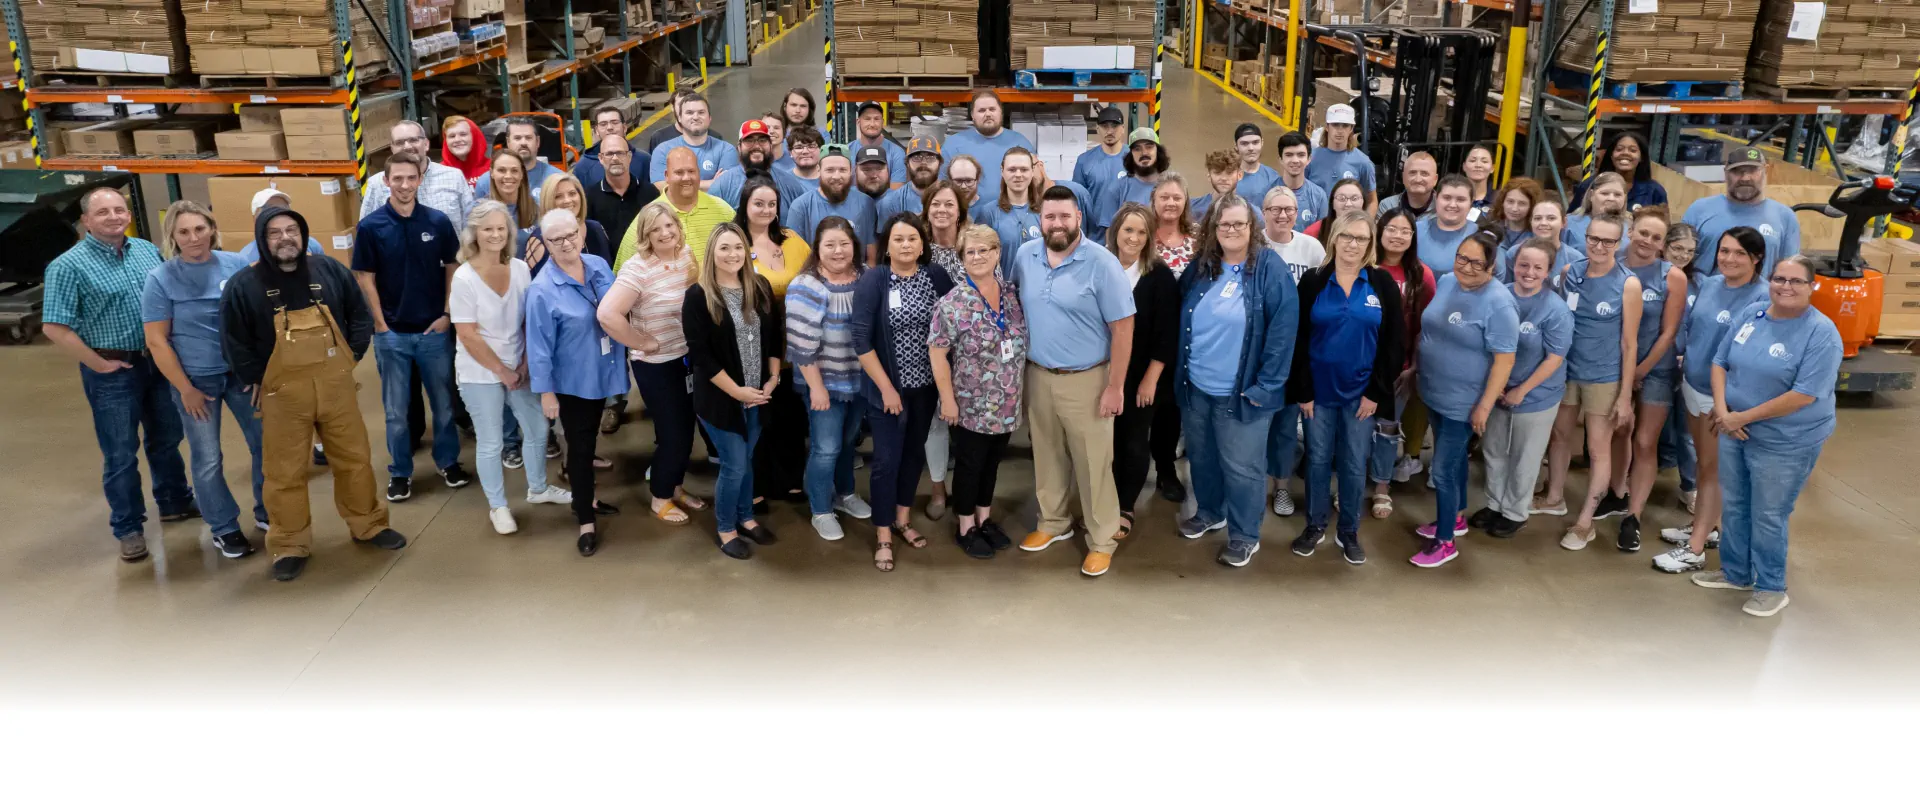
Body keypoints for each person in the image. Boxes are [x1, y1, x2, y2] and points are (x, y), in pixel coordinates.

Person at [222, 205, 396, 581]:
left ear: (302, 235)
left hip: (336, 386)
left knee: (354, 460)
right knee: (284, 473)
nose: (285, 238)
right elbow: (234, 342)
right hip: (282, 395)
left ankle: (369, 524)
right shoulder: (243, 285)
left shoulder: (329, 270)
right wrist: (259, 379)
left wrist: (350, 357)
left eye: (292, 230)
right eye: (275, 233)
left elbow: (359, 314)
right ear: (262, 240)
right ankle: (289, 544)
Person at [1692, 256, 1840, 617]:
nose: (1785, 287)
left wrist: (1741, 417)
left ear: (1812, 286)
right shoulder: (1753, 313)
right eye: (1779, 278)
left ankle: (1771, 587)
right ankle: (1736, 573)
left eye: (1796, 281)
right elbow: (1720, 361)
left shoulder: (1821, 333)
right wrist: (1724, 412)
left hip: (1785, 440)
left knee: (1769, 513)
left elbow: (1803, 395)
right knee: (1736, 503)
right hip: (1734, 429)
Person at [1009, 186, 1135, 577]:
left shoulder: (1102, 263)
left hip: (1088, 379)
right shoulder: (1025, 256)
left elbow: (1123, 328)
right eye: (1050, 216)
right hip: (1038, 374)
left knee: (1094, 463)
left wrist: (1115, 386)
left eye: (1065, 216)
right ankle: (1053, 522)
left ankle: (1102, 539)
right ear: (1040, 219)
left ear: (1079, 217)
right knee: (1047, 455)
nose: (1057, 223)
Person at [1172, 194, 1299, 567]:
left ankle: (1245, 535)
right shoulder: (1202, 267)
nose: (1230, 230)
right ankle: (1210, 512)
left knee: (1243, 468)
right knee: (1202, 458)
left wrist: (1265, 387)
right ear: (1213, 229)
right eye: (1223, 224)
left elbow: (1283, 333)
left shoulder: (1270, 269)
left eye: (1238, 223)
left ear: (1252, 227)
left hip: (1243, 393)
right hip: (1197, 387)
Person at [140, 201, 260, 559]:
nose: (194, 238)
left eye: (199, 229)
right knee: (208, 458)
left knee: (265, 446)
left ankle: (270, 511)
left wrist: (256, 372)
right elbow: (157, 341)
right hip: (197, 382)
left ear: (212, 229)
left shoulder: (236, 265)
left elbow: (254, 321)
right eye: (184, 232)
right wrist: (185, 389)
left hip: (240, 377)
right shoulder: (161, 278)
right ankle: (224, 527)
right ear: (173, 237)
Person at [351, 152, 472, 501]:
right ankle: (400, 472)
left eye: (411, 178)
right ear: (386, 181)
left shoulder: (437, 221)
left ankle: (447, 462)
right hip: (392, 335)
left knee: (444, 406)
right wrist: (381, 325)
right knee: (396, 412)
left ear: (420, 180)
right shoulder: (372, 227)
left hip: (434, 332)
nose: (404, 185)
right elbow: (364, 276)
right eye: (397, 179)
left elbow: (453, 266)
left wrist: (446, 313)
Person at [449, 201, 572, 535]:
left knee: (537, 429)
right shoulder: (463, 278)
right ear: (474, 234)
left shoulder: (519, 268)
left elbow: (530, 319)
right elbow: (467, 335)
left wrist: (526, 362)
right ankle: (498, 506)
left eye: (501, 228)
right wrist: (503, 373)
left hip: (519, 364)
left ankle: (538, 488)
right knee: (491, 442)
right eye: (487, 229)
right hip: (480, 371)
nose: (495, 235)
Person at [1290, 209, 1404, 564]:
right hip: (1318, 394)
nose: (1353, 244)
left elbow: (1394, 344)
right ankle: (1315, 525)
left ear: (1370, 244)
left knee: (1354, 464)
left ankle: (1349, 530)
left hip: (1361, 396)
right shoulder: (1313, 281)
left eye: (1361, 238)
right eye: (1347, 236)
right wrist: (1303, 391)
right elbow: (1297, 340)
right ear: (1334, 238)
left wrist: (1375, 393)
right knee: (1318, 461)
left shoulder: (1381, 283)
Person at [1654, 226, 1768, 573]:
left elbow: (1752, 357)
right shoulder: (1711, 284)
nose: (1729, 259)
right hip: (1693, 384)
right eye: (1724, 251)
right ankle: (1707, 526)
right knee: (1705, 466)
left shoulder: (1761, 297)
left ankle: (1696, 548)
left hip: (1722, 398)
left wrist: (1727, 405)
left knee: (1711, 469)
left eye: (1739, 253)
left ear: (1756, 258)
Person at [850, 214, 953, 571]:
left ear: (922, 245)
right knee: (885, 462)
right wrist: (886, 389)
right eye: (898, 239)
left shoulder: (936, 276)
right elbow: (861, 340)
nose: (906, 245)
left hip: (925, 389)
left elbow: (951, 327)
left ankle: (902, 519)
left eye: (912, 239)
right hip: (887, 391)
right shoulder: (875, 279)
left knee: (913, 456)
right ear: (887, 246)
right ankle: (882, 533)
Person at [596, 202, 708, 523]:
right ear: (645, 235)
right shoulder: (638, 268)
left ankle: (675, 487)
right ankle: (660, 497)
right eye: (655, 229)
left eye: (669, 225)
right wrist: (641, 342)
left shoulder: (686, 255)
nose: (665, 233)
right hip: (656, 364)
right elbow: (607, 314)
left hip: (685, 358)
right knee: (673, 435)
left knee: (685, 430)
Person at [1410, 231, 1517, 567]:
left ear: (1492, 266)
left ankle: (1445, 543)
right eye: (1462, 258)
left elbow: (1504, 360)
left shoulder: (1499, 303)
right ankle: (1455, 518)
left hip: (1464, 402)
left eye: (1476, 263)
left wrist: (1484, 405)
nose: (1467, 267)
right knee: (1453, 462)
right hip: (1434, 390)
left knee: (1442, 470)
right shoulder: (1446, 282)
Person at [1539, 210, 1643, 550]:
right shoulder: (1570, 272)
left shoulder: (1628, 284)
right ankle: (1554, 497)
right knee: (1559, 435)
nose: (1599, 246)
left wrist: (1624, 396)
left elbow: (1630, 344)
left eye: (1608, 241)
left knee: (1599, 449)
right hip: (1567, 371)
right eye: (1593, 238)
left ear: (1619, 243)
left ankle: (1586, 522)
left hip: (1603, 377)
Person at [525, 209, 626, 556]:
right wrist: (547, 393)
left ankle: (586, 499)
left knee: (590, 440)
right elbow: (538, 347)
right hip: (572, 383)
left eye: (571, 235)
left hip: (603, 371)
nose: (566, 243)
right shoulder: (541, 290)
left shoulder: (598, 266)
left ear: (581, 233)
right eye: (556, 239)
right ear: (546, 243)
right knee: (580, 451)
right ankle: (585, 518)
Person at [683, 223, 785, 558]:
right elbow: (701, 357)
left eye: (738, 247)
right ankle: (726, 528)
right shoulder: (698, 296)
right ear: (711, 252)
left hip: (758, 394)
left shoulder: (760, 286)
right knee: (735, 464)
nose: (733, 254)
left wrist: (773, 378)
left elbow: (774, 337)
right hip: (720, 399)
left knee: (747, 458)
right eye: (724, 248)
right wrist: (737, 392)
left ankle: (746, 517)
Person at [929, 224, 1029, 559]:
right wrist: (947, 400)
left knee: (993, 462)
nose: (977, 257)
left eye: (984, 250)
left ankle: (984, 519)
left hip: (1008, 401)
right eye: (969, 252)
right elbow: (937, 353)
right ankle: (965, 526)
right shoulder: (952, 303)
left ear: (997, 253)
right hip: (970, 404)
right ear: (961, 258)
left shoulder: (1012, 295)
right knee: (970, 465)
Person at [1596, 207, 1688, 550]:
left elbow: (1668, 333)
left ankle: (1633, 517)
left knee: (1646, 442)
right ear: (1630, 231)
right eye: (1643, 233)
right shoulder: (1611, 263)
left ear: (1663, 244)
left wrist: (1639, 371)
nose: (1648, 241)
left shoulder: (1672, 277)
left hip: (1655, 369)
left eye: (1656, 237)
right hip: (1613, 365)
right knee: (1619, 430)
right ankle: (1616, 492)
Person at [1473, 239, 1573, 537]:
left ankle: (1515, 512)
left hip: (1536, 395)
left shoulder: (1555, 309)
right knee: (1493, 450)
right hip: (1497, 389)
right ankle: (1494, 503)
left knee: (1524, 457)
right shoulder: (1497, 295)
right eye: (1523, 265)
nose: (1529, 272)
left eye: (1538, 267)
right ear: (1513, 265)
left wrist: (1522, 390)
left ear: (1548, 271)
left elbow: (1554, 358)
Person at [786, 217, 876, 540]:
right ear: (817, 248)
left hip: (859, 380)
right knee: (826, 448)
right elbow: (801, 346)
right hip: (822, 383)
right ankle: (821, 509)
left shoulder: (866, 277)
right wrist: (817, 388)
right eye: (830, 245)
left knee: (848, 443)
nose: (838, 251)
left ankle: (845, 494)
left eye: (844, 244)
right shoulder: (806, 286)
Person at [1104, 203, 1177, 535]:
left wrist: (1150, 380)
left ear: (1150, 238)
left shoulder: (1159, 276)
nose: (1133, 238)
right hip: (1101, 371)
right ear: (1115, 231)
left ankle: (1125, 505)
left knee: (1132, 442)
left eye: (1141, 232)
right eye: (1128, 230)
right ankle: (1102, 503)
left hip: (1141, 376)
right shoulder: (1100, 267)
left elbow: (1167, 334)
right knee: (1103, 444)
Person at [740, 176, 812, 509]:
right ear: (745, 205)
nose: (766, 210)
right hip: (752, 344)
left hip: (793, 344)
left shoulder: (793, 240)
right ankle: (756, 485)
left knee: (790, 416)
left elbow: (813, 276)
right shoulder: (734, 241)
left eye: (772, 204)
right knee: (758, 419)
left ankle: (790, 480)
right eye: (758, 203)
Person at [1685, 146, 1801, 278]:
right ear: (1725, 173)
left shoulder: (1785, 217)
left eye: (1753, 170)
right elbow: (1678, 260)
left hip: (1760, 292)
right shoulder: (1699, 210)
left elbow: (1790, 272)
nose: (1745, 178)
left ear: (1766, 171)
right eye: (1737, 171)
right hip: (1703, 291)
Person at [616, 146, 736, 269]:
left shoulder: (724, 211)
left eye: (691, 171)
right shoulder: (647, 219)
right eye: (679, 172)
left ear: (699, 173)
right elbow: (623, 271)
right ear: (666, 176)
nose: (686, 177)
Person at [361, 120, 477, 232]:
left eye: (413, 140)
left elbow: (471, 227)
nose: (407, 146)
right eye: (400, 142)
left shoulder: (454, 177)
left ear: (426, 144)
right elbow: (365, 231)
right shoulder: (376, 184)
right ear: (392, 148)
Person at [940, 90, 1034, 198]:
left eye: (992, 109)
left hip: (1009, 208)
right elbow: (942, 187)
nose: (988, 114)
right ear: (972, 115)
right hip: (967, 209)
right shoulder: (953, 144)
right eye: (982, 110)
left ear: (1001, 112)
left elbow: (1037, 183)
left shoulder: (1020, 143)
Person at [787, 149, 878, 258]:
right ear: (819, 170)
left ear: (851, 171)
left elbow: (871, 253)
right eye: (830, 170)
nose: (836, 176)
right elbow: (794, 253)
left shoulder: (865, 203)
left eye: (843, 170)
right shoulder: (801, 206)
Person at [969, 146, 1045, 273]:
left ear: (1032, 171)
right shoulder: (988, 213)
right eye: (1012, 169)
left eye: (1024, 169)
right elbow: (978, 258)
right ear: (1002, 171)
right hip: (1002, 284)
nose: (1018, 175)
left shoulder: (1045, 211)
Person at [583, 133, 658, 259]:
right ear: (600, 158)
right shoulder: (589, 197)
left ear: (629, 157)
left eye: (620, 153)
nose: (615, 158)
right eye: (609, 154)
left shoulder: (650, 193)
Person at [1089, 127, 1169, 243]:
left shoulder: (1170, 186)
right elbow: (1110, 232)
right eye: (1137, 149)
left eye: (1149, 147)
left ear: (1158, 151)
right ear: (1131, 155)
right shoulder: (1117, 188)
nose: (1144, 153)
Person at [707, 119, 806, 211]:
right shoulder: (722, 185)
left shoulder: (790, 184)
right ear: (739, 147)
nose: (757, 146)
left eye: (762, 140)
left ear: (770, 146)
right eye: (749, 140)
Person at [522, 172, 612, 269]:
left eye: (572, 194)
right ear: (547, 201)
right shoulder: (538, 240)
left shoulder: (596, 228)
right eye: (558, 196)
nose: (567, 200)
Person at [648, 94, 737, 187]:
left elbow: (726, 186)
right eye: (689, 113)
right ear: (679, 118)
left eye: (701, 112)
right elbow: (660, 186)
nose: (695, 117)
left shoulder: (726, 150)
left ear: (709, 118)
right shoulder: (663, 150)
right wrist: (712, 183)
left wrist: (678, 185)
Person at [1497, 196, 1582, 287]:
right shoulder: (1514, 253)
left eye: (1551, 218)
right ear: (1531, 222)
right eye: (1537, 218)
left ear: (1563, 222)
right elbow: (1507, 288)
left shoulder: (1575, 259)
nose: (1543, 223)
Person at [1572, 131, 1667, 211]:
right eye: (1619, 149)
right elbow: (1574, 219)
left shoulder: (1655, 191)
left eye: (1633, 150)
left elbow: (1662, 224)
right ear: (1611, 155)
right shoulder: (1589, 185)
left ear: (1641, 157)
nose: (1625, 153)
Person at [476, 117, 563, 201]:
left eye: (528, 138)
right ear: (508, 142)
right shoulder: (486, 182)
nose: (523, 143)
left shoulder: (556, 178)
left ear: (537, 141)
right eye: (517, 138)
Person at [1306, 104, 1376, 206]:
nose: (1340, 130)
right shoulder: (1310, 158)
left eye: (1345, 125)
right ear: (1327, 127)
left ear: (1351, 128)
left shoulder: (1363, 162)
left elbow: (1371, 201)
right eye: (1335, 124)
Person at [237, 187, 326, 263]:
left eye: (283, 208)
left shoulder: (311, 245)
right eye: (269, 209)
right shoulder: (247, 258)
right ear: (255, 218)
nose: (278, 214)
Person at [1414, 174, 1478, 276]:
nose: (1452, 205)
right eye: (1447, 198)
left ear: (1471, 202)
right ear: (1436, 198)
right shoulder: (1416, 230)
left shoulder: (1480, 236)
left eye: (1461, 199)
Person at [1261, 185, 1326, 279]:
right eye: (1275, 209)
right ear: (1264, 214)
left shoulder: (1312, 247)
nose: (1283, 215)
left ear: (1296, 214)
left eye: (1289, 209)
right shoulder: (1252, 244)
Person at [572, 103, 643, 188]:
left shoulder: (644, 160)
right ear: (596, 130)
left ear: (624, 128)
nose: (609, 127)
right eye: (603, 124)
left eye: (615, 123)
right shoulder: (583, 167)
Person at [875, 135, 943, 219]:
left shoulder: (952, 198)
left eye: (930, 157)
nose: (923, 163)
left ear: (940, 163)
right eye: (916, 157)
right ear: (907, 163)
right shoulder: (891, 202)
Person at [1274, 131, 1328, 232]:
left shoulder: (1319, 196)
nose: (1295, 160)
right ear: (1280, 159)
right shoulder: (1267, 193)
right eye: (1289, 155)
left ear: (1309, 159)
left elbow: (1322, 234)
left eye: (1301, 155)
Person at [1073, 106, 1128, 196]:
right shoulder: (1084, 161)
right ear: (1097, 129)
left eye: (1114, 126)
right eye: (1105, 126)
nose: (1109, 131)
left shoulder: (1134, 158)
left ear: (1123, 129)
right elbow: (1078, 197)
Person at [1565, 172, 1627, 252]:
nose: (1611, 198)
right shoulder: (1568, 224)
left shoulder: (1630, 227)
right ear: (1591, 195)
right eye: (1605, 193)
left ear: (1624, 198)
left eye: (1617, 195)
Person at [921, 179, 969, 279]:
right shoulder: (918, 249)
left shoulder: (974, 246)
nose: (942, 210)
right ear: (927, 210)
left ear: (959, 211)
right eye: (935, 204)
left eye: (949, 204)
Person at [851, 102, 908, 185]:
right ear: (858, 122)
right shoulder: (847, 151)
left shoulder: (897, 153)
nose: (872, 124)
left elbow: (896, 190)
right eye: (867, 119)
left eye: (877, 119)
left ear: (882, 122)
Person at [1150, 174, 1197, 273]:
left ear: (1185, 202)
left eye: (1177, 198)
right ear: (1153, 200)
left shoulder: (1198, 234)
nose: (1171, 203)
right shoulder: (1143, 234)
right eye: (1164, 197)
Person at [483, 149, 538, 226]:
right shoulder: (480, 211)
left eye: (514, 171)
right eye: (501, 170)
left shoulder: (535, 207)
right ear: (492, 173)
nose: (508, 176)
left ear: (522, 174)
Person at [1377, 150, 1438, 219]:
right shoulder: (1387, 206)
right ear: (1403, 177)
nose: (1418, 179)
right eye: (1412, 173)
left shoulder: (1443, 208)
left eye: (1424, 173)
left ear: (1435, 179)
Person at [1490, 176, 1544, 250]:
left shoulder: (1538, 235)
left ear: (1532, 206)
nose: (1514, 209)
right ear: (1502, 201)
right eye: (1510, 201)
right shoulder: (1491, 229)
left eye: (1522, 203)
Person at [1189, 149, 1242, 218]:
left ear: (1239, 175)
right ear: (1209, 176)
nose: (1224, 178)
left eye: (1229, 173)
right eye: (1218, 172)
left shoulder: (1251, 211)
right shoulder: (1191, 207)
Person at [440, 115, 491, 187]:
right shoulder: (439, 172)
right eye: (452, 136)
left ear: (475, 137)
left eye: (463, 134)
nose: (457, 140)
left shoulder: (493, 168)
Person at [643, 88, 699, 153]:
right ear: (672, 107)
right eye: (680, 104)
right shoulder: (659, 138)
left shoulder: (708, 136)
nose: (685, 109)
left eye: (689, 105)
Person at [1461, 144, 1497, 209]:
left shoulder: (1499, 199)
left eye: (1484, 161)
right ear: (1464, 166)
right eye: (1472, 161)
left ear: (1492, 168)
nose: (1478, 165)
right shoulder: (1452, 196)